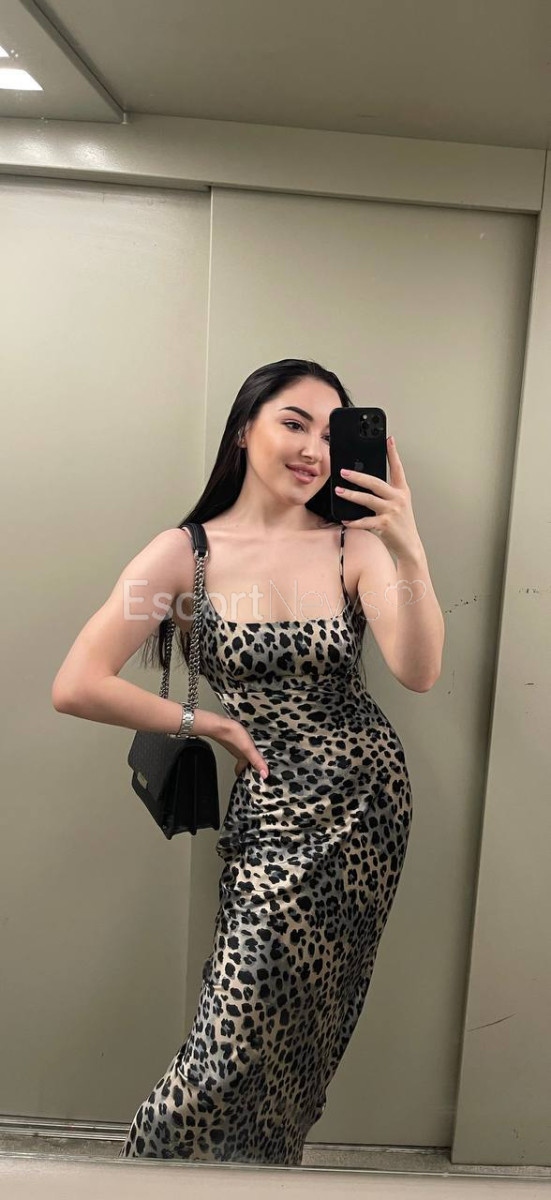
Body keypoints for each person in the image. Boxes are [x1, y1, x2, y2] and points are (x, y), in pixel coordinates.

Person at [52, 357, 443, 1166]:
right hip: (268, 811)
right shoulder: (182, 554)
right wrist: (209, 725)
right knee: (227, 1045)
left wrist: (407, 549)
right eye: (293, 423)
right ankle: (157, 1175)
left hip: (366, 807)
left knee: (302, 1037)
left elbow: (417, 670)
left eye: (329, 433)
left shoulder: (353, 547)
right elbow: (78, 683)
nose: (312, 449)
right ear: (243, 429)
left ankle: (262, 1171)